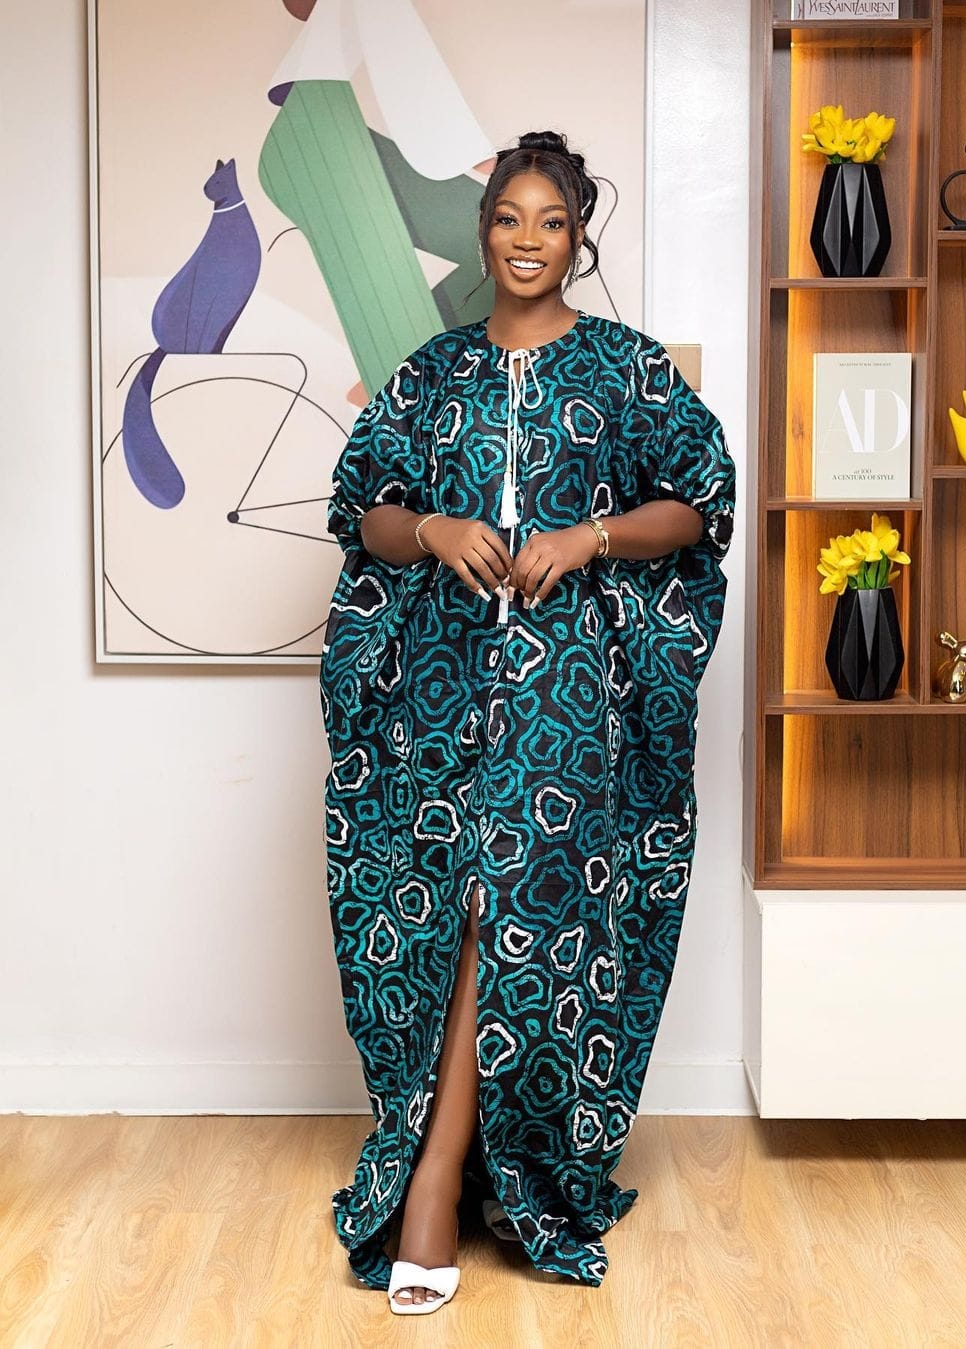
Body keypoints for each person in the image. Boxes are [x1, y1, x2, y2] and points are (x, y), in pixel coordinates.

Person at [319, 128, 736, 1314]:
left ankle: (438, 1185)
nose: (527, 240)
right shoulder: (432, 374)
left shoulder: (623, 368)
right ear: (482, 228)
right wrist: (432, 529)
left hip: (569, 705)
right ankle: (451, 1162)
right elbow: (363, 510)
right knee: (439, 911)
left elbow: (698, 502)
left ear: (578, 236)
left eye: (552, 222)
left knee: (512, 918)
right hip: (436, 692)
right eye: (509, 218)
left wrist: (590, 535)